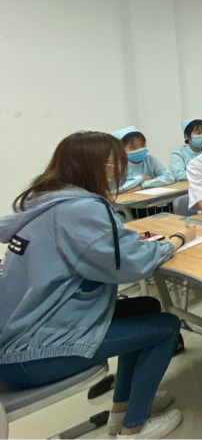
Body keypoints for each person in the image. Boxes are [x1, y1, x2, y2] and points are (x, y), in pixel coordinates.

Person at [0, 132, 191, 439]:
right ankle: (135, 428)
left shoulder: (43, 202)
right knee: (167, 327)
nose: (120, 172)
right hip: (32, 353)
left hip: (24, 332)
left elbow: (105, 250)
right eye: (116, 164)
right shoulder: (78, 210)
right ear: (96, 166)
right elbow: (129, 265)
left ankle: (122, 409)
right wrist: (176, 241)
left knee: (146, 307)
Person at [113, 127, 175, 194]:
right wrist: (141, 178)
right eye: (133, 147)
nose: (140, 149)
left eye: (142, 145)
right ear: (121, 150)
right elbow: (114, 190)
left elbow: (169, 177)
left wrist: (143, 184)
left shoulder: (150, 160)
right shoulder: (118, 165)